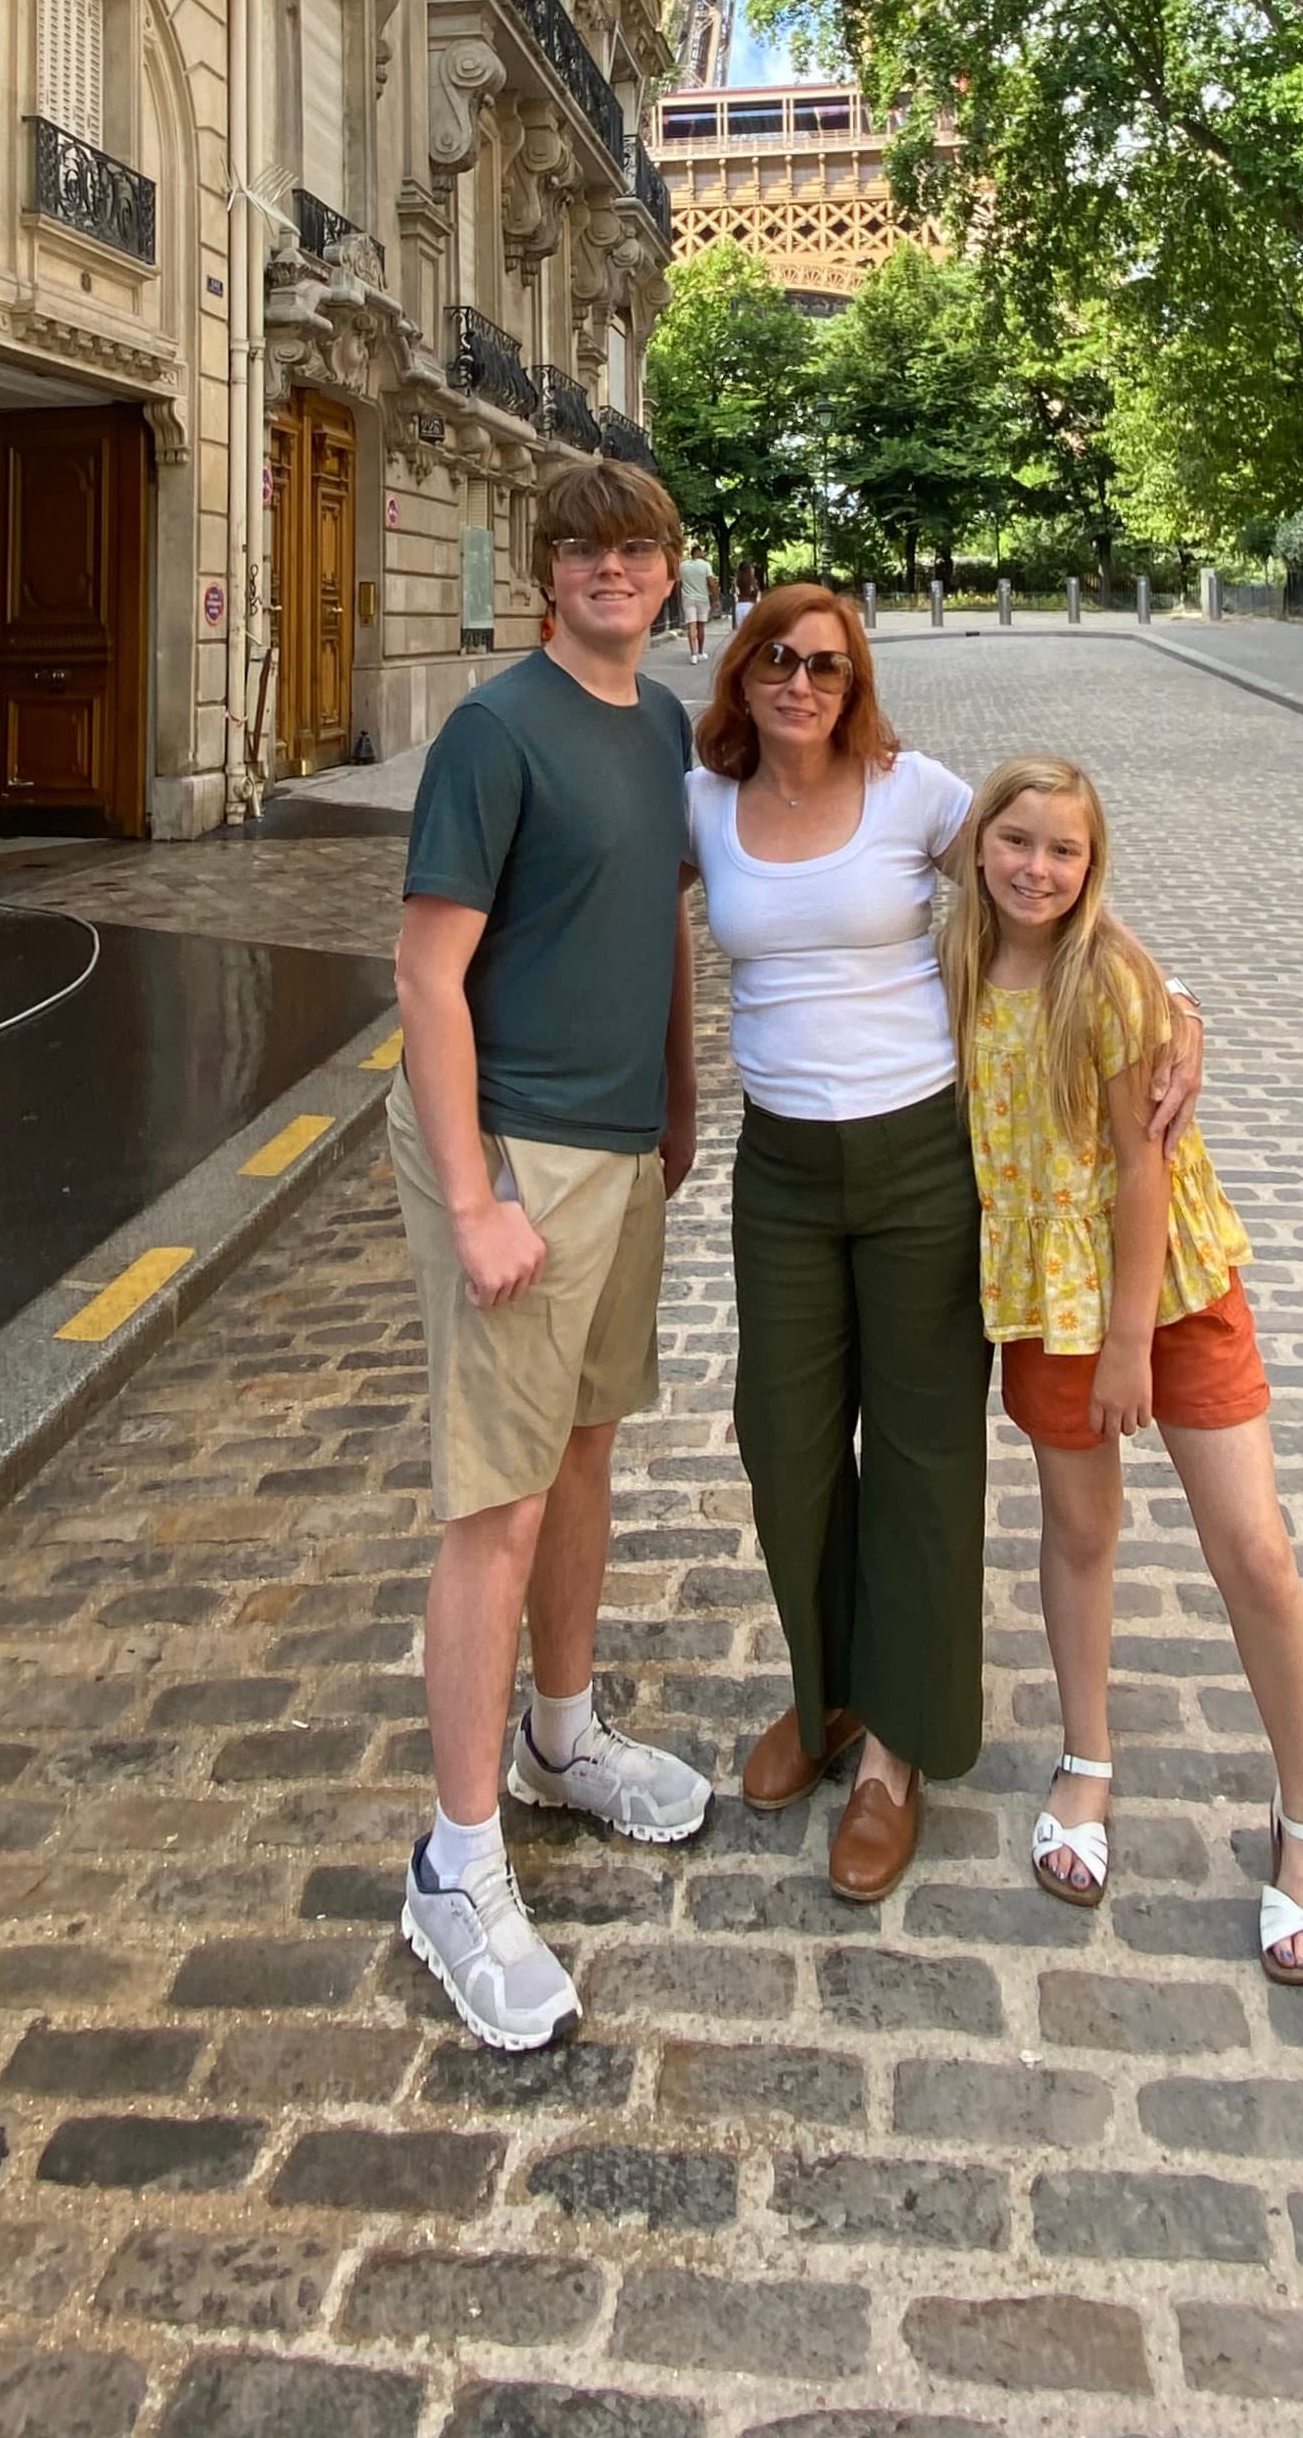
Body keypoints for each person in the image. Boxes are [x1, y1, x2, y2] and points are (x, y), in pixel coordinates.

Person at [690, 585, 1202, 1903]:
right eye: (777, 661)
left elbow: (1049, 868)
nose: (801, 683)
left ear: (855, 684)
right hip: (784, 1172)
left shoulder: (915, 792)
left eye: (826, 666)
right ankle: (828, 1697)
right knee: (785, 1440)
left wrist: (1174, 999)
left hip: (923, 1162)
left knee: (921, 1456)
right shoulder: (703, 803)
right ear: (742, 677)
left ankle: (895, 1756)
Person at [389, 458, 709, 2053]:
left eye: (632, 547)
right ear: (545, 572)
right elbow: (427, 979)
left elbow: (660, 915)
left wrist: (678, 1092)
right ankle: (454, 1868)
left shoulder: (657, 723)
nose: (607, 568)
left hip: (615, 1146)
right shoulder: (494, 732)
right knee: (495, 1507)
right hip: (511, 1148)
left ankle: (561, 1743)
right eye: (579, 546)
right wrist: (473, 1197)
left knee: (583, 1454)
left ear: (668, 574)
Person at [943, 751, 1303, 1979]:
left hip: (1163, 1290)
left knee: (1254, 1548)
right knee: (1078, 1535)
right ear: (979, 847)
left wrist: (1128, 1346)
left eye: (1064, 850)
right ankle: (1086, 1759)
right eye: (1017, 842)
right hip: (1044, 1305)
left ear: (1094, 864)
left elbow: (1144, 1166)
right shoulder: (955, 958)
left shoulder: (1104, 978)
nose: (1037, 868)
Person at [677, 544, 716, 659]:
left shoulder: (682, 566)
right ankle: (700, 652)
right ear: (699, 552)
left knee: (691, 626)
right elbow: (711, 583)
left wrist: (679, 599)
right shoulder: (705, 565)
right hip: (702, 599)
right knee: (701, 626)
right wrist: (715, 598)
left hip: (688, 598)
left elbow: (678, 584)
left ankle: (693, 654)